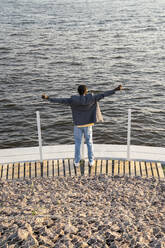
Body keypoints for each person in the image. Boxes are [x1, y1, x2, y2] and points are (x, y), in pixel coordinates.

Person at [42, 84, 122, 167]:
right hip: (88, 125)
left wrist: (48, 98)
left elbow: (60, 100)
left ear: (78, 92)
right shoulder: (92, 98)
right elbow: (104, 94)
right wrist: (115, 89)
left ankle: (76, 161)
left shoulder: (73, 100)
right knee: (89, 143)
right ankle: (91, 161)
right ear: (86, 91)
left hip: (78, 125)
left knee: (77, 143)